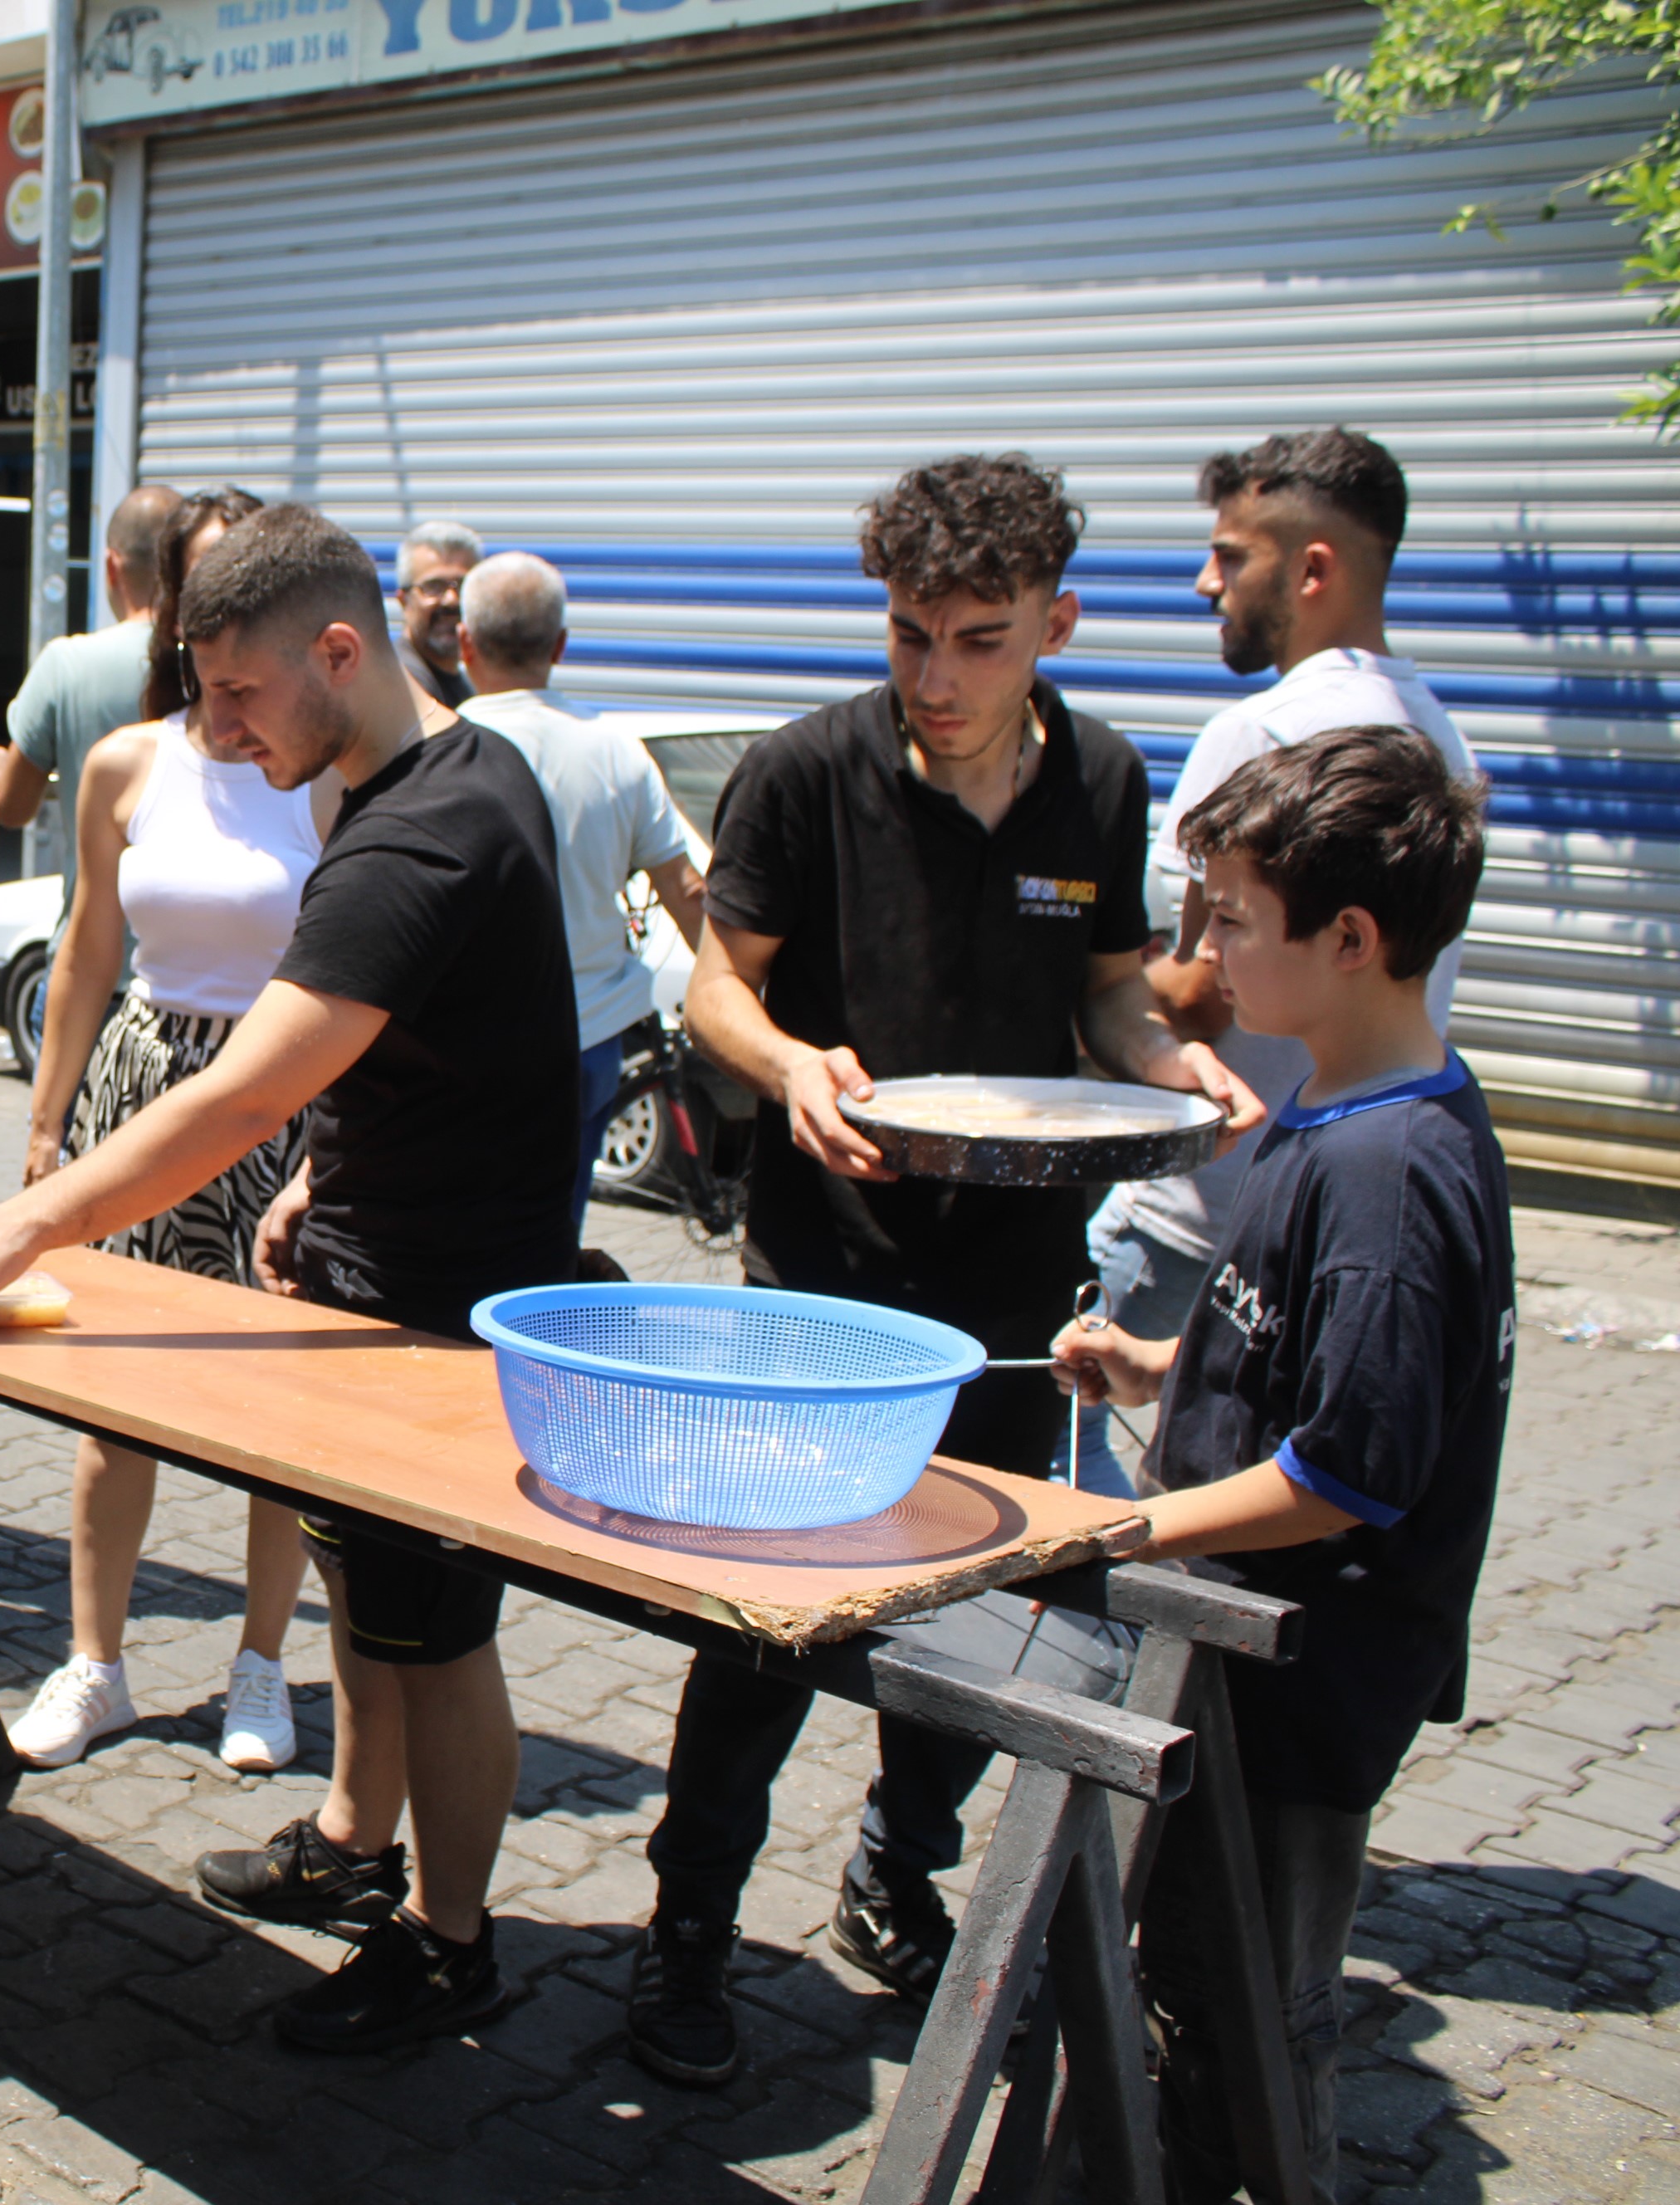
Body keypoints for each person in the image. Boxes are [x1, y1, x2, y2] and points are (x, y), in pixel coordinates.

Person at [0, 505, 581, 2054]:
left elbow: (234, 1097)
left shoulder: (418, 831)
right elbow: (399, 1051)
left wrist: (22, 1225)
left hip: (441, 1314)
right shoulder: (435, 770)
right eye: (199, 690)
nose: (212, 726)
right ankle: (352, 1842)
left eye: (237, 694)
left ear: (336, 651)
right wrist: (325, 1191)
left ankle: (449, 1941)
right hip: (367, 1254)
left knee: (438, 1627)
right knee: (368, 1594)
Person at [624, 454, 1262, 2089]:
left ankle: (895, 1869)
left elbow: (1111, 999)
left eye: (980, 639)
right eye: (912, 635)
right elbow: (717, 992)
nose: (939, 677)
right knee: (765, 1621)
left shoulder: (1106, 783)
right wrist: (790, 1070)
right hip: (824, 1269)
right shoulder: (804, 771)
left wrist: (1170, 1067)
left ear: (1055, 619)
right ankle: (688, 1922)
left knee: (978, 1603)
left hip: (1012, 1285)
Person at [1050, 725, 1510, 2204]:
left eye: (1232, 921)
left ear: (1353, 936)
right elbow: (1293, 1357)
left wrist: (1125, 1535)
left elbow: (1343, 1469)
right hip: (1234, 1658)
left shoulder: (1388, 1177)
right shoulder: (1333, 1095)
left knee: (1262, 2000)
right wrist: (1152, 1371)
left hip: (1303, 1684)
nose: (1202, 954)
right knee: (1187, 1965)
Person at [1073, 428, 1474, 1490]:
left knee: (1060, 1440)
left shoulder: (1263, 736)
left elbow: (1199, 991)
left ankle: (1114, 1644)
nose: (1207, 581)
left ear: (1313, 568)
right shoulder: (1440, 733)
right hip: (1308, 1186)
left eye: (1232, 554)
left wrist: (1089, 990)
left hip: (1206, 1197)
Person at [6, 490, 320, 1776]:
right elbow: (87, 949)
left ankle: (260, 1669)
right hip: (140, 1089)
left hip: (281, 1095)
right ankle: (96, 1665)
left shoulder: (329, 773)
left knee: (280, 1411)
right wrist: (45, 1130)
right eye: (203, 600)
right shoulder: (129, 760)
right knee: (112, 1397)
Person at [452, 550, 706, 1235]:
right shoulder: (615, 748)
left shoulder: (444, 747)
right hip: (589, 1036)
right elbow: (687, 890)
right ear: (561, 646)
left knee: (469, 1228)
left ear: (464, 641)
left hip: (472, 1046)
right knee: (556, 1228)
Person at [0, 482, 193, 897]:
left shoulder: (65, 664)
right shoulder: (219, 669)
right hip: (191, 951)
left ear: (111, 567)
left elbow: (11, 807)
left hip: (91, 948)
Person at [388, 520, 480, 709]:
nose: (451, 600)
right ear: (404, 601)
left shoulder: (465, 685)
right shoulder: (402, 683)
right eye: (434, 587)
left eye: (463, 586)